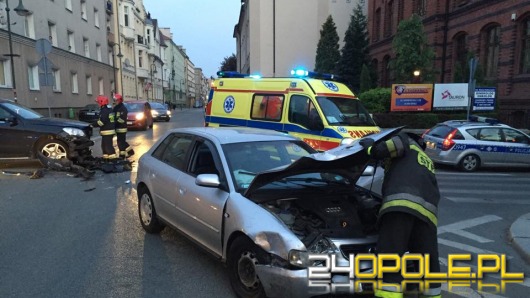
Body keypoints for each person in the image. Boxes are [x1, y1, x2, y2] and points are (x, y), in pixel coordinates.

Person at [360, 132, 441, 298]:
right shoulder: (424, 159)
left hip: (400, 206)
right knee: (427, 262)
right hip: (427, 215)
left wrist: (370, 148)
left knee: (390, 258)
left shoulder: (405, 138)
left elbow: (384, 149)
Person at [93, 95, 117, 161]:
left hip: (107, 131)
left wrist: (93, 124)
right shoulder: (109, 110)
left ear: (101, 102)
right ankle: (106, 159)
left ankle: (113, 161)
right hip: (109, 131)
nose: (98, 104)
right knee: (104, 146)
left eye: (98, 102)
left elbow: (102, 122)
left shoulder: (104, 111)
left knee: (108, 147)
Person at [112, 93, 134, 159]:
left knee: (121, 143)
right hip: (118, 128)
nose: (115, 102)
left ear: (120, 100)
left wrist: (115, 120)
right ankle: (129, 152)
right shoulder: (116, 108)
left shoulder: (123, 109)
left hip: (122, 128)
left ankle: (122, 156)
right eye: (115, 100)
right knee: (121, 142)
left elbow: (122, 120)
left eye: (116, 100)